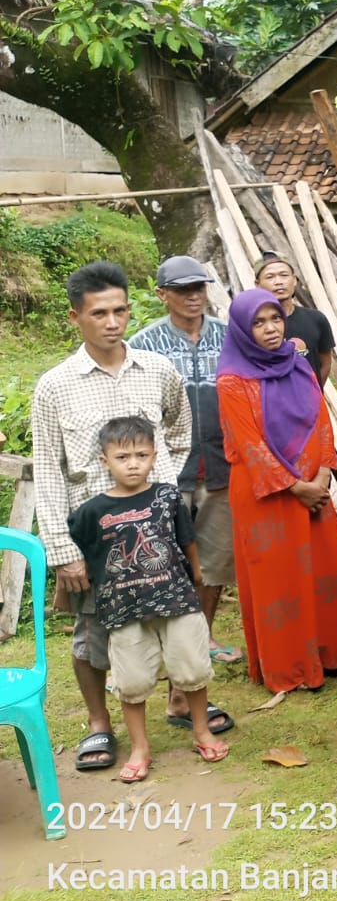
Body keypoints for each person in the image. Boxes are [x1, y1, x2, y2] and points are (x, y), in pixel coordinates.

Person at [33, 260, 198, 775]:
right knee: (91, 631)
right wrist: (62, 549)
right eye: (99, 313)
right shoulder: (54, 386)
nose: (112, 322)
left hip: (157, 524)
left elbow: (178, 428)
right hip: (93, 533)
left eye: (121, 310)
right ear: (74, 317)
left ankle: (181, 703)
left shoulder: (159, 370)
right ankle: (100, 724)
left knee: (174, 616)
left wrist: (165, 479)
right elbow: (48, 468)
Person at [217, 290, 337, 692]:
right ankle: (291, 667)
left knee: (323, 570)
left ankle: (336, 652)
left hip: (313, 484)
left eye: (275, 319)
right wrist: (295, 486)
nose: (271, 329)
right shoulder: (232, 379)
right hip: (265, 493)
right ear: (242, 329)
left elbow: (321, 418)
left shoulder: (297, 363)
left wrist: (322, 474)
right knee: (279, 578)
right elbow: (247, 442)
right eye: (259, 322)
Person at [69, 416, 224, 782]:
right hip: (123, 610)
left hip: (177, 600)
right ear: (105, 462)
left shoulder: (168, 497)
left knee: (192, 670)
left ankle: (201, 731)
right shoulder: (91, 511)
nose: (133, 463)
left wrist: (197, 574)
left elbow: (187, 540)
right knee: (132, 681)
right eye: (123, 457)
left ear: (155, 456)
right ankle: (140, 748)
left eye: (141, 454)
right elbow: (83, 553)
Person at [129, 255, 237, 663]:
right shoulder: (143, 343)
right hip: (166, 470)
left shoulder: (230, 337)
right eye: (182, 289)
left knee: (212, 561)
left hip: (221, 466)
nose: (193, 296)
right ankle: (162, 645)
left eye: (199, 287)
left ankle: (203, 638)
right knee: (160, 560)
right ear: (162, 295)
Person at [254, 253, 335, 384]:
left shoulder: (316, 319)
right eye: (270, 277)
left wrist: (313, 392)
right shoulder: (252, 325)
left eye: (284, 275)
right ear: (258, 284)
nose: (278, 282)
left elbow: (325, 364)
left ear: (294, 280)